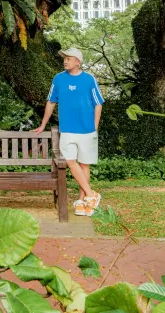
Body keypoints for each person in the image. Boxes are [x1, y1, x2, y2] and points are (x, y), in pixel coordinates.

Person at [33, 47, 103, 217]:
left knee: (84, 164)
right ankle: (91, 194)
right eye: (64, 58)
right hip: (67, 130)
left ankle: (82, 201)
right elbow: (50, 102)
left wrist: (95, 125)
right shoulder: (58, 79)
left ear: (78, 61)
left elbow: (98, 103)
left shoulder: (89, 79)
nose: (65, 61)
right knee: (71, 162)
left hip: (87, 130)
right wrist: (43, 124)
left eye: (69, 58)